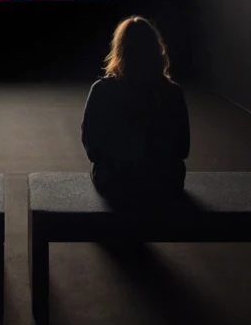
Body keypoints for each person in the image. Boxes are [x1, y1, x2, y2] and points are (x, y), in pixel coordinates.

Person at [81, 16, 190, 201]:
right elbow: (183, 148)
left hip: (116, 183)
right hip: (164, 182)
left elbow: (92, 147)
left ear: (119, 50)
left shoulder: (101, 90)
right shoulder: (173, 92)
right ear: (157, 49)